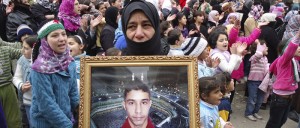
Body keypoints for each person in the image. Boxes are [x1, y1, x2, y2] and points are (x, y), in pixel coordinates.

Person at [30, 20, 79, 127]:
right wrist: (68, 126)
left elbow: (73, 93)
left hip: (66, 118)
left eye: (63, 34)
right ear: (45, 41)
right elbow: (47, 105)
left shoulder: (69, 62)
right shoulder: (40, 68)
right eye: (55, 35)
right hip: (45, 123)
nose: (61, 39)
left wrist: (81, 110)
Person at [265, 28, 300, 128]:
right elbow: (289, 51)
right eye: (297, 47)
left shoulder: (294, 60)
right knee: (274, 124)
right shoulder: (284, 61)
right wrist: (297, 37)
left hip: (288, 98)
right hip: (280, 98)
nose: (298, 48)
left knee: (282, 121)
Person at [12, 35, 37, 127]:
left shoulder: (43, 61)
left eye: (26, 48)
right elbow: (16, 77)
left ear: (34, 49)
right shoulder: (22, 60)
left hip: (41, 101)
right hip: (28, 101)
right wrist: (21, 85)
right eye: (22, 47)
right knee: (31, 123)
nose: (22, 50)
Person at [244, 39, 269, 121]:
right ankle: (249, 113)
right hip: (253, 81)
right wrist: (259, 45)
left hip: (262, 82)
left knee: (260, 99)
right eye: (265, 47)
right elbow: (258, 54)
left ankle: (255, 112)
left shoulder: (265, 58)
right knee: (252, 98)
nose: (267, 48)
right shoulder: (254, 57)